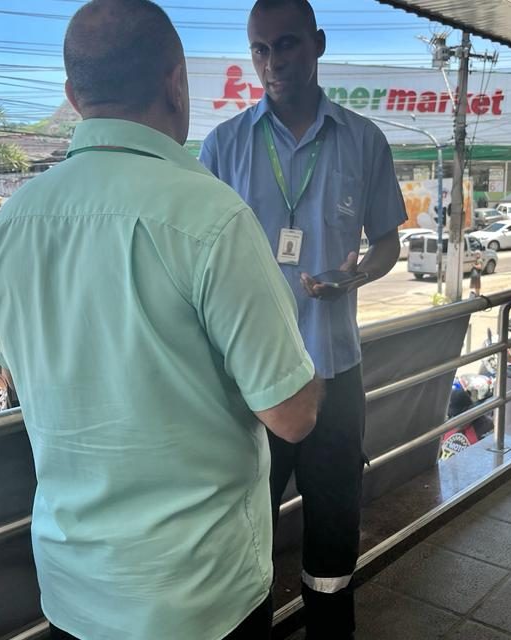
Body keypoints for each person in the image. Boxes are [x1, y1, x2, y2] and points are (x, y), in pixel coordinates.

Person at [0, 2, 320, 639]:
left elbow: (27, 376)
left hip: (74, 591)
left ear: (73, 95)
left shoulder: (12, 223)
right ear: (176, 83)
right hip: (200, 598)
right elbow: (292, 413)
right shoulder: (211, 218)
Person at [200, 1, 406, 636]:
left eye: (285, 45)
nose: (272, 62)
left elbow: (389, 244)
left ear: (316, 44)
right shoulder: (224, 145)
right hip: (248, 387)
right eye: (259, 49)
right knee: (245, 531)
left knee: (334, 528)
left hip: (334, 374)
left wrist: (357, 275)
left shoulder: (363, 140)